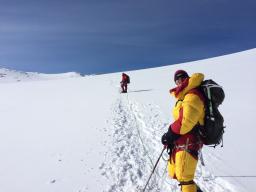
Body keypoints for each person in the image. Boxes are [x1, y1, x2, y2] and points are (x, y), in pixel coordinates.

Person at [161, 70, 205, 192]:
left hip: (189, 142)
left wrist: (170, 133)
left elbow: (186, 122)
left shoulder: (192, 94)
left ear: (187, 78)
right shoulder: (184, 96)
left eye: (182, 78)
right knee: (180, 176)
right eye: (177, 80)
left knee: (185, 179)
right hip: (182, 141)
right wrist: (171, 136)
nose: (179, 81)